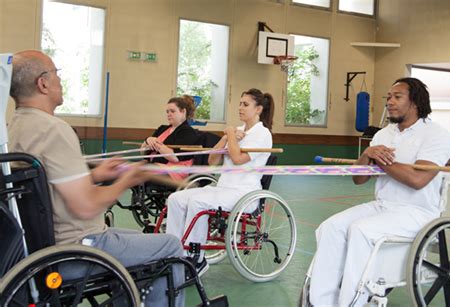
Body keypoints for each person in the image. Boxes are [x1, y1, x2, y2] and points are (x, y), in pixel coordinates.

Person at [8, 50, 185, 307]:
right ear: (43, 83)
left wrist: (95, 175)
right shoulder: (55, 130)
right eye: (57, 74)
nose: (60, 80)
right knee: (170, 245)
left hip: (42, 246)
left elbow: (46, 186)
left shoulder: (15, 127)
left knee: (139, 238)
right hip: (76, 246)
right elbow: (86, 205)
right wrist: (128, 178)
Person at [309, 77, 450, 307]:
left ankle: (351, 303)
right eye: (388, 97)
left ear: (415, 102)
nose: (389, 102)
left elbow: (417, 180)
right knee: (330, 228)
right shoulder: (383, 134)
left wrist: (382, 162)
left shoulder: (437, 134)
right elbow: (358, 178)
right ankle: (321, 302)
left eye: (397, 97)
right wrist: (367, 155)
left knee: (361, 230)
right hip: (383, 206)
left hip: (418, 212)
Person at [166, 88, 275, 276]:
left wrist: (230, 135)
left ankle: (196, 258)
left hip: (244, 193)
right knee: (176, 199)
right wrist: (225, 137)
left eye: (245, 104)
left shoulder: (263, 134)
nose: (240, 108)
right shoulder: (237, 131)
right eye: (240, 103)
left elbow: (238, 158)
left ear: (258, 109)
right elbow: (212, 161)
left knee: (198, 202)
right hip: (223, 188)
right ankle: (176, 253)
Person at [142, 95, 200, 181]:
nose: (169, 114)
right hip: (155, 164)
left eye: (172, 111)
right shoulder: (162, 128)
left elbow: (174, 157)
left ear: (183, 112)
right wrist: (147, 140)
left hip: (174, 170)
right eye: (167, 112)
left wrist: (156, 143)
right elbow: (142, 151)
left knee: (138, 171)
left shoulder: (189, 132)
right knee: (126, 169)